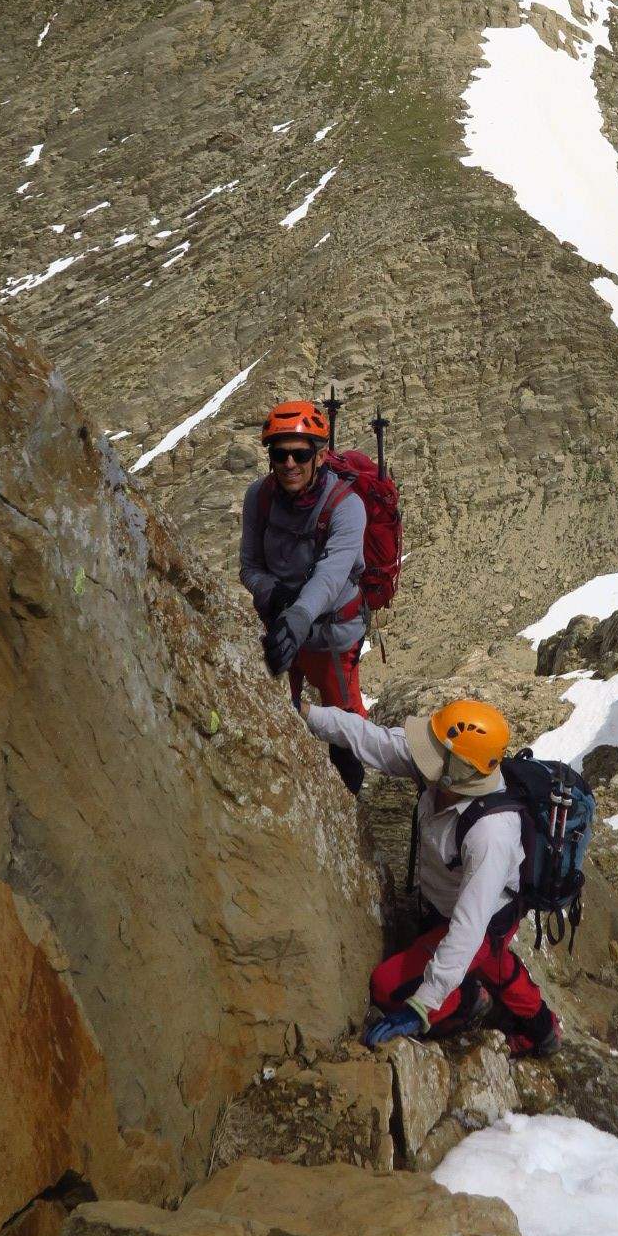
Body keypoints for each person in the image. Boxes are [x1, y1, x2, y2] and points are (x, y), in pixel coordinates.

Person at [303, 696, 562, 1057]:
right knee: (493, 960)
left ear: (460, 769)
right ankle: (542, 1028)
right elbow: (375, 741)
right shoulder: (445, 773)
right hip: (452, 908)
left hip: (485, 919)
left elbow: (468, 928)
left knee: (388, 987)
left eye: (436, 749)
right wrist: (309, 714)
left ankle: (467, 1001)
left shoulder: (491, 834)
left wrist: (423, 1005)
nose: (425, 753)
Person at [240, 400, 368, 793]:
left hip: (331, 635)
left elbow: (332, 575)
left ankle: (349, 799)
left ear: (320, 456)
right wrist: (274, 595)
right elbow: (249, 566)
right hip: (281, 623)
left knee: (345, 724)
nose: (289, 463)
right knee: (281, 710)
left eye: (300, 454)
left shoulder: (347, 507)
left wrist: (298, 615)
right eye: (280, 454)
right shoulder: (259, 497)